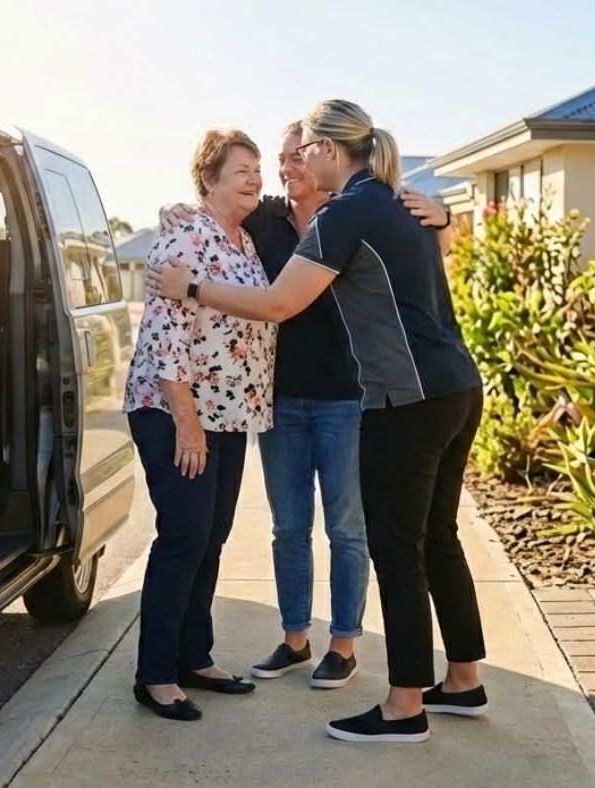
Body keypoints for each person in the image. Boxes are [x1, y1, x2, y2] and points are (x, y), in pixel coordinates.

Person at [147, 99, 486, 744]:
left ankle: (404, 707)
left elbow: (277, 304)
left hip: (406, 399)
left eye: (302, 151)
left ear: (331, 150)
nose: (293, 164)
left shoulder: (348, 210)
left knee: (395, 548)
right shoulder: (393, 201)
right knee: (437, 536)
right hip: (456, 387)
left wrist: (189, 288)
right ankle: (464, 679)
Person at [124, 128, 277, 722]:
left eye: (257, 169)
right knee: (185, 534)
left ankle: (195, 657)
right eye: (241, 169)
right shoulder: (187, 236)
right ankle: (155, 675)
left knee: (210, 537)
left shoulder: (244, 241)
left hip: (229, 416)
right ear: (208, 179)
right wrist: (187, 426)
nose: (254, 179)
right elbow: (167, 342)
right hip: (174, 411)